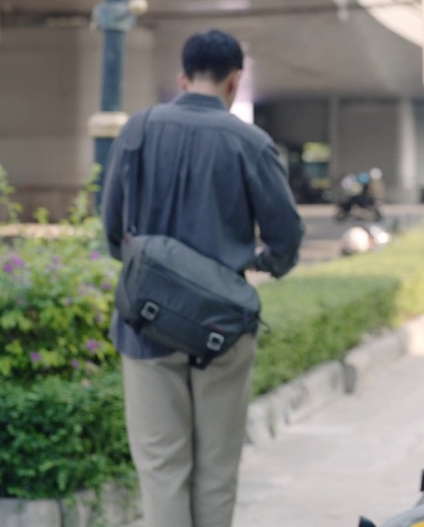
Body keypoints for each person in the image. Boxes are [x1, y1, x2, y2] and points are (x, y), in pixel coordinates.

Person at [101, 29, 305, 527]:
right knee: (216, 472)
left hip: (146, 325)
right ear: (235, 82)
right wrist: (255, 262)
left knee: (162, 470)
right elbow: (287, 239)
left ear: (183, 77)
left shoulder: (138, 130)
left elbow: (110, 230)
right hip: (221, 330)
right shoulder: (251, 144)